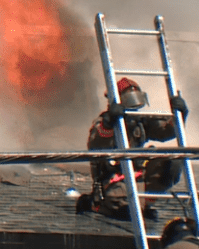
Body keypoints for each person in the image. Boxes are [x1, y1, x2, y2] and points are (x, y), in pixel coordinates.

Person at [77, 76, 188, 219]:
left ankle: (144, 203)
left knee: (172, 163)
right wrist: (109, 122)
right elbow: (95, 145)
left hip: (137, 176)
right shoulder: (104, 123)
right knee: (121, 202)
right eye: (129, 99)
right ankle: (99, 205)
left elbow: (165, 131)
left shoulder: (140, 121)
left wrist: (180, 115)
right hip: (113, 180)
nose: (134, 104)